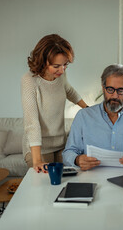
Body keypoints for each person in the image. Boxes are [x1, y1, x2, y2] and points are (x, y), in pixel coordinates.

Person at [62, 64, 123, 171]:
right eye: (110, 89)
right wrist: (77, 159)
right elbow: (68, 153)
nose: (115, 96)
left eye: (121, 90)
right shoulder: (83, 116)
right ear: (103, 88)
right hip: (91, 179)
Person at [21, 34, 88, 173]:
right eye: (56, 66)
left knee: (73, 177)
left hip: (61, 143)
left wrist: (88, 109)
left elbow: (69, 90)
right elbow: (31, 122)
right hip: (38, 147)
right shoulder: (29, 81)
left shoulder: (61, 75)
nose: (62, 70)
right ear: (42, 61)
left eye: (65, 65)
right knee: (46, 185)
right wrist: (37, 159)